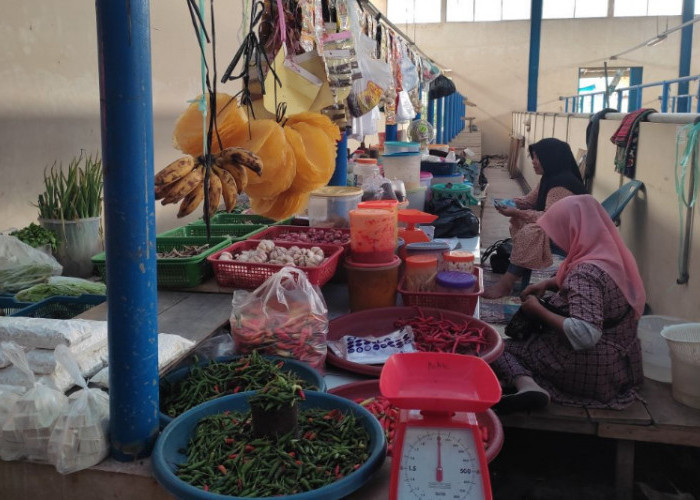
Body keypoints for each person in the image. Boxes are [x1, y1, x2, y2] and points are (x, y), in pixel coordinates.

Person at [491, 195, 646, 413]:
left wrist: (537, 310)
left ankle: (528, 386)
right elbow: (598, 290)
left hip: (592, 369)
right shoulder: (612, 256)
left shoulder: (584, 274)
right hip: (621, 365)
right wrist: (549, 283)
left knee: (495, 348)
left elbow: (585, 334)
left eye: (557, 232)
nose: (556, 240)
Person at [483, 138, 586, 299]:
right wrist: (509, 203)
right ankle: (518, 269)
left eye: (537, 158)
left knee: (531, 231)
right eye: (533, 157)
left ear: (551, 158)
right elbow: (529, 201)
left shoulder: (562, 185)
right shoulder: (550, 177)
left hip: (571, 234)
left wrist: (515, 212)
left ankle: (507, 283)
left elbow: (548, 218)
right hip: (558, 227)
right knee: (526, 224)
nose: (533, 162)